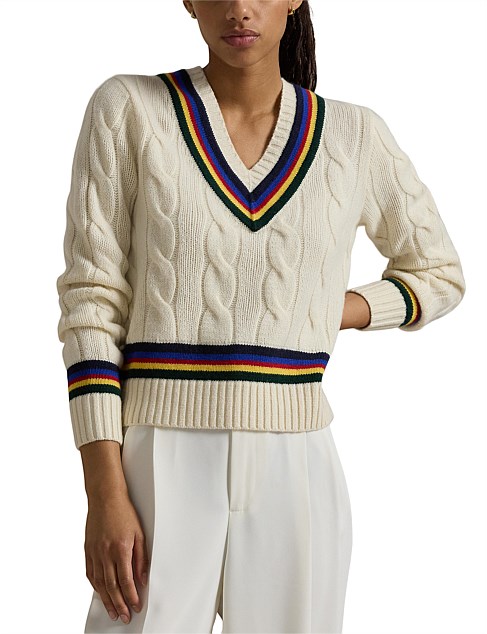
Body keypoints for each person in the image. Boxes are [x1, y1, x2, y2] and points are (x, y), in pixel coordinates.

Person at [55, 1, 466, 632]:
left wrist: (331, 309)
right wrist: (104, 492)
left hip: (296, 464)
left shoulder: (355, 136)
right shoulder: (129, 109)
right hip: (156, 458)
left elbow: (439, 273)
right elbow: (91, 303)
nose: (240, 9)